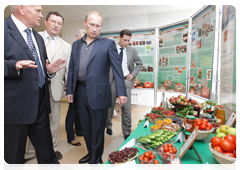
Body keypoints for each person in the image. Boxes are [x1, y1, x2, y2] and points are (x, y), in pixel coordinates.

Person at [4, 5, 73, 170]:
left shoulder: (37, 37)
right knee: (13, 154)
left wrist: (48, 72)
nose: (41, 16)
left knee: (45, 145)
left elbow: (42, 66)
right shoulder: (4, 30)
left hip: (40, 100)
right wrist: (13, 66)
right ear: (21, 9)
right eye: (37, 11)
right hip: (15, 105)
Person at [66, 11, 127, 170]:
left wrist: (121, 92)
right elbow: (72, 69)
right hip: (80, 91)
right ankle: (90, 152)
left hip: (99, 93)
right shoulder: (76, 45)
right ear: (85, 22)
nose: (94, 28)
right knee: (85, 128)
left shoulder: (107, 44)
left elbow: (117, 69)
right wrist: (70, 91)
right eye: (91, 24)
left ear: (101, 27)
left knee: (97, 129)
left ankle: (96, 159)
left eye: (98, 26)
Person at [24, 11, 72, 161]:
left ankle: (53, 149)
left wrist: (69, 90)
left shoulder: (66, 46)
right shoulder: (32, 37)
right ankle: (31, 152)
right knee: (33, 120)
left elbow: (68, 71)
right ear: (45, 22)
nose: (56, 25)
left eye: (59, 23)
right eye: (53, 21)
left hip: (55, 89)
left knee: (53, 121)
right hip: (35, 88)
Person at [106, 29, 143, 139]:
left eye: (128, 41)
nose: (126, 43)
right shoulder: (111, 49)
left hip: (125, 80)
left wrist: (133, 74)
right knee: (110, 106)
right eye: (124, 40)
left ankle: (127, 131)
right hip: (112, 80)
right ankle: (108, 125)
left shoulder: (132, 50)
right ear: (119, 37)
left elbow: (139, 64)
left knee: (126, 108)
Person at [65, 29, 87, 146]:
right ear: (77, 38)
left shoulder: (84, 50)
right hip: (74, 87)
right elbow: (70, 71)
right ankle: (70, 137)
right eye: (83, 38)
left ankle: (79, 130)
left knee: (79, 112)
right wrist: (69, 89)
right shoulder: (72, 49)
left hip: (82, 88)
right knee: (72, 113)